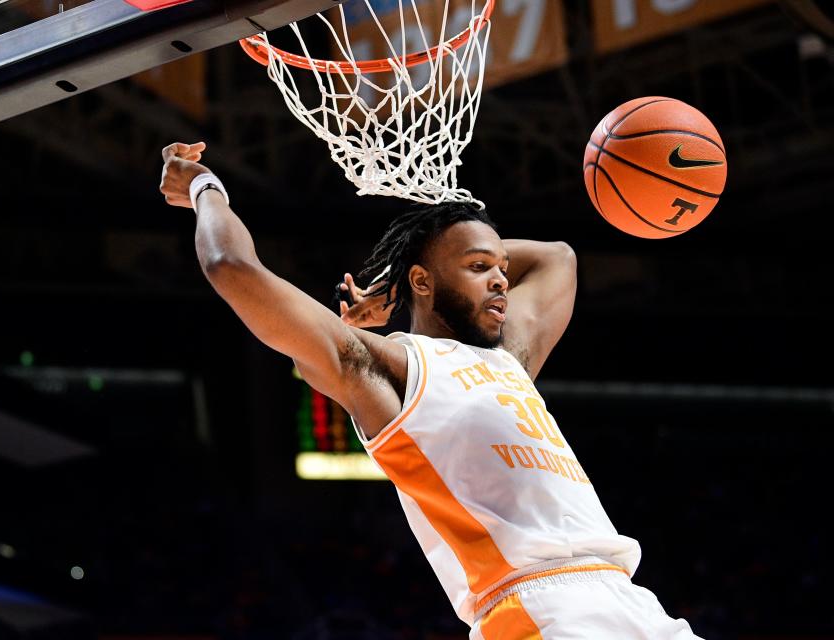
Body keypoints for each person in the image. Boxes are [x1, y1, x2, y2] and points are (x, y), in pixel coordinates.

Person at [159, 141, 701, 639]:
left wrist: (409, 275)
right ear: (425, 283)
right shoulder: (386, 366)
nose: (500, 281)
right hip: (540, 611)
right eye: (478, 267)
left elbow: (558, 255)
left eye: (501, 270)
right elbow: (231, 266)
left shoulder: (510, 358)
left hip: (635, 601)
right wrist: (207, 189)